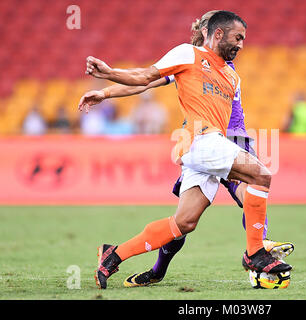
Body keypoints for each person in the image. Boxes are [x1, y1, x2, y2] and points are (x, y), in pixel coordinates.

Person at [80, 10, 292, 289]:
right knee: (261, 176)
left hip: (211, 146)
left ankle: (113, 254)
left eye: (244, 39)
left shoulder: (231, 77)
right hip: (199, 141)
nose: (241, 44)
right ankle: (255, 253)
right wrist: (107, 83)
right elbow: (145, 78)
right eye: (238, 38)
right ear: (218, 34)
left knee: (184, 222)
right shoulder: (188, 54)